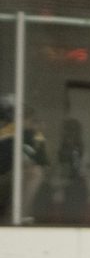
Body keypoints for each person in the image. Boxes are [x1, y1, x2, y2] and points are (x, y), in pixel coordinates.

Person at [0, 95, 52, 223]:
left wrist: (40, 139)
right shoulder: (8, 132)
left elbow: (44, 161)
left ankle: (20, 216)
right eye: (29, 119)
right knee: (33, 173)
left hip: (13, 179)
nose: (31, 123)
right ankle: (13, 218)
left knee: (37, 175)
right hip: (4, 178)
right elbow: (7, 160)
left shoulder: (33, 136)